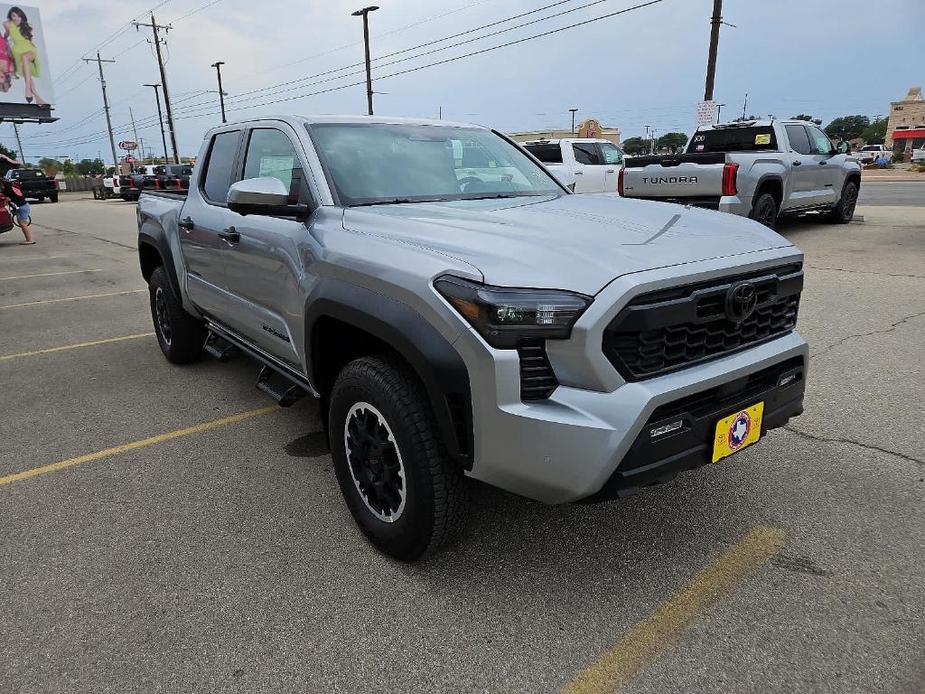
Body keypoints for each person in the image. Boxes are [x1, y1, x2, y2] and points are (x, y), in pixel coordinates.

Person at [3, 7, 46, 107]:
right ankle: (37, 97)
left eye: (19, 16)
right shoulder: (7, 24)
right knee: (28, 74)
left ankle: (27, 89)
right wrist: (4, 40)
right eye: (14, 15)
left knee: (25, 57)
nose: (17, 18)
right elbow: (7, 34)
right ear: (10, 16)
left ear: (22, 16)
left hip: (30, 49)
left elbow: (31, 40)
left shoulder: (28, 25)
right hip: (17, 51)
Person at [0, 152, 33, 244]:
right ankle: (28, 239)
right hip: (24, 206)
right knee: (21, 222)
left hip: (22, 208)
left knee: (23, 224)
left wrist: (6, 200)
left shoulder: (8, 191)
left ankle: (30, 240)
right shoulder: (13, 188)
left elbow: (7, 201)